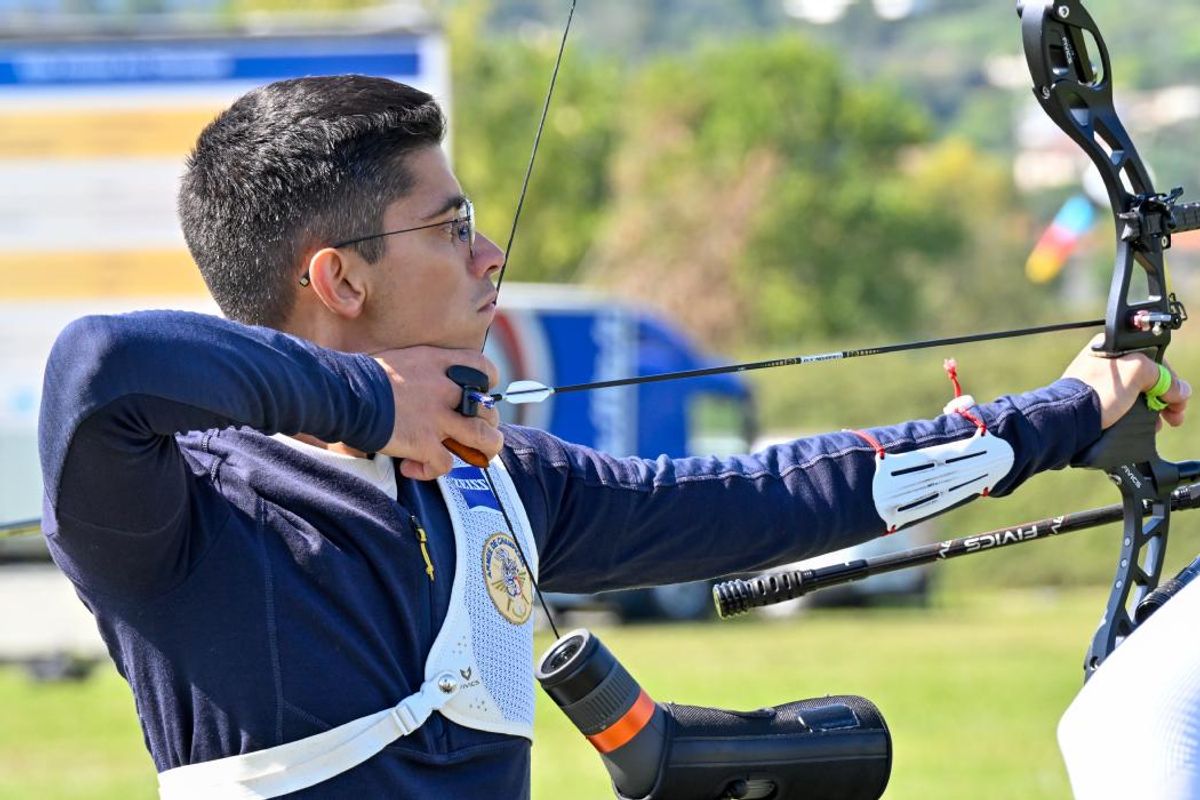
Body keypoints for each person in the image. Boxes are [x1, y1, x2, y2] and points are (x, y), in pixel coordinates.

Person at [37, 74, 1189, 799]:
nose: (490, 258)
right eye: (454, 227)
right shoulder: (183, 512)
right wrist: (369, 403)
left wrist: (1061, 413)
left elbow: (768, 497)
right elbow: (101, 367)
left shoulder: (498, 482)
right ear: (337, 276)